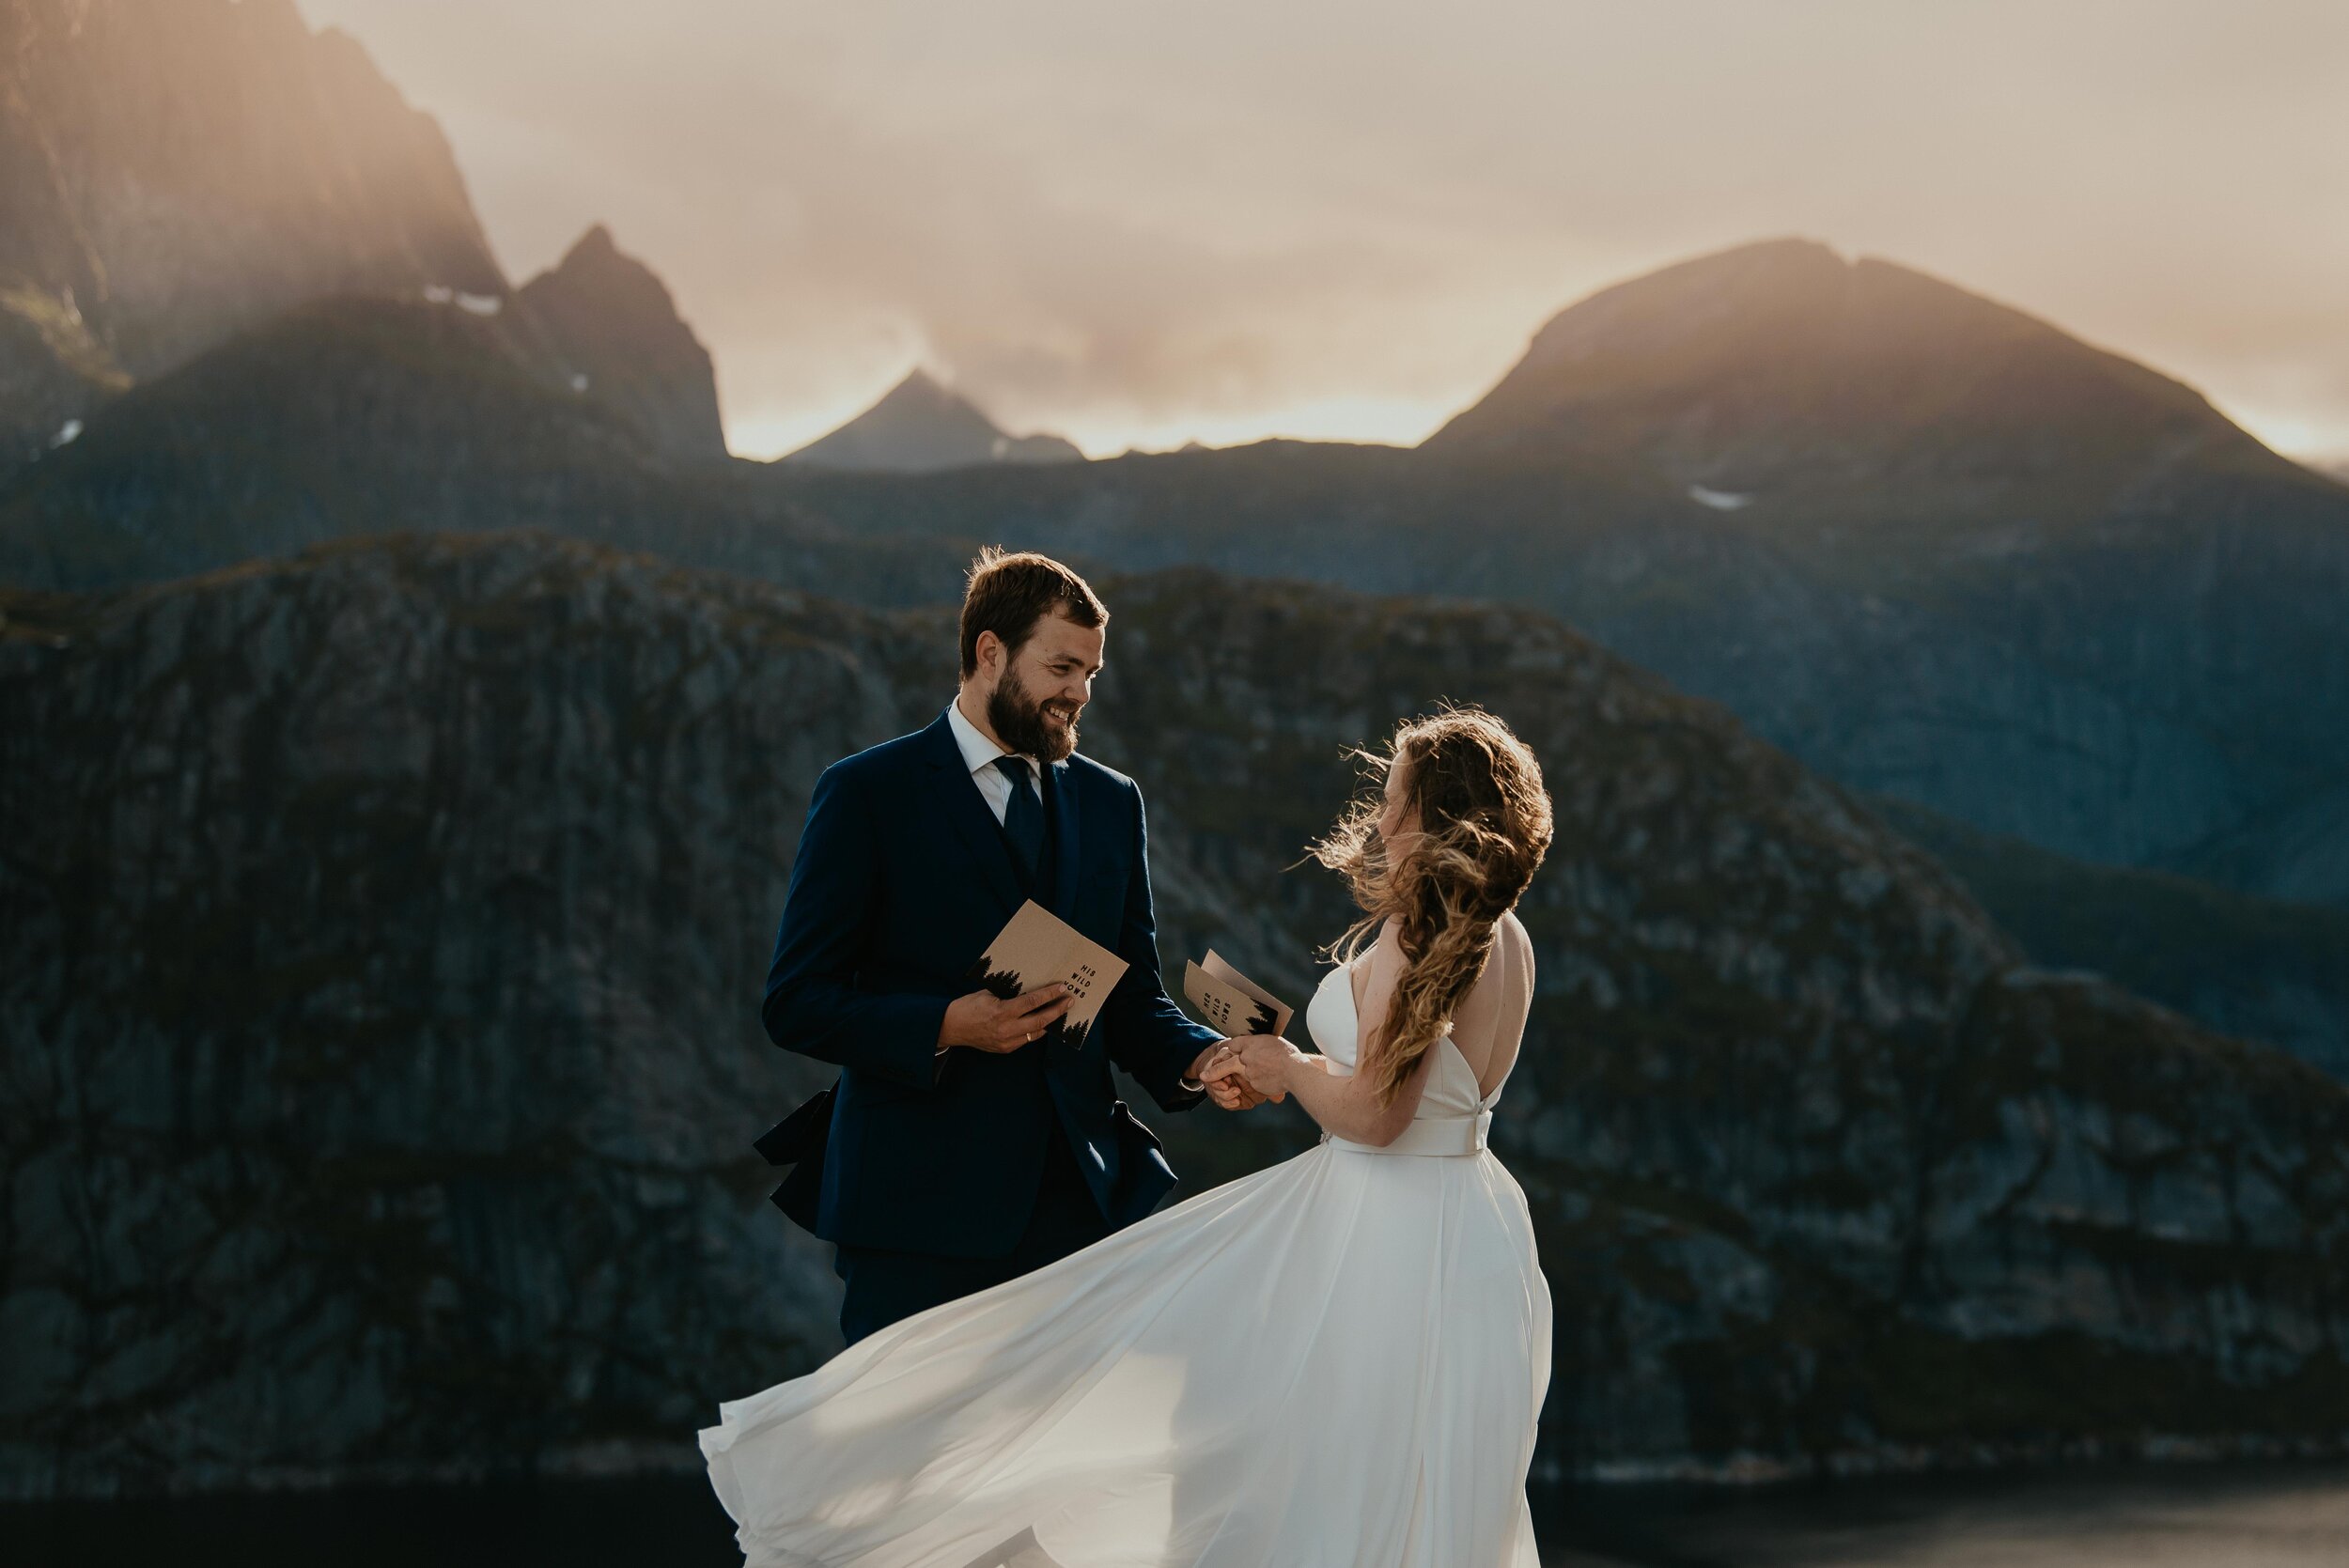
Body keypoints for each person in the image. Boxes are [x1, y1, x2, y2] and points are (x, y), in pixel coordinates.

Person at [706, 705, 1557, 1568]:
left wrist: (1290, 1066)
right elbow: (1435, 1102)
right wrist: (1220, 1060)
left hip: (1384, 1234)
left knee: (1333, 1464)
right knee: (1438, 1470)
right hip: (1476, 1228)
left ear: (1432, 811)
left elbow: (1378, 1115)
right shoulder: (1507, 936)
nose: (1380, 815)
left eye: (1395, 795)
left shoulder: (1414, 934)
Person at [753, 548, 1268, 1349]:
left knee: (1058, 1475)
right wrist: (949, 1024)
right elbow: (795, 1000)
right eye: (1062, 666)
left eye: (1091, 673)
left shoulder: (1110, 802)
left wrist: (1204, 1059)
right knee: (909, 1470)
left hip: (1074, 1210)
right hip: (914, 1214)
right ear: (989, 651)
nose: (1079, 693)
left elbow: (1132, 996)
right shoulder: (867, 793)